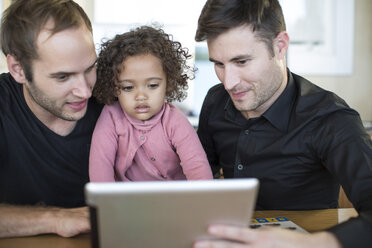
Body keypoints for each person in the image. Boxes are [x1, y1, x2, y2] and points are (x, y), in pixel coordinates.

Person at [193, 0, 372, 247]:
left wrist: (308, 245)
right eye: (219, 64)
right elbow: (197, 183)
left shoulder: (331, 119)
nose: (228, 83)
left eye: (242, 61)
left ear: (280, 46)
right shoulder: (215, 101)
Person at [0, 0, 102, 238]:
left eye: (90, 68)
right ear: (18, 69)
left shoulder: (116, 93)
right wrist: (57, 219)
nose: (85, 91)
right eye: (63, 77)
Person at [89, 26, 213, 182]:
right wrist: (107, 205)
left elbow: (197, 167)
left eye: (153, 85)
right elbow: (100, 167)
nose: (141, 96)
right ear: (114, 87)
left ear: (168, 83)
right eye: (128, 87)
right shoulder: (111, 116)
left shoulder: (174, 121)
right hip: (127, 202)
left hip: (174, 200)